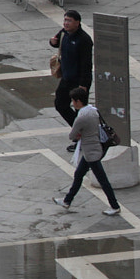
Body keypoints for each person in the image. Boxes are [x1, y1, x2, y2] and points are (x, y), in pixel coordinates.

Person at [53, 87, 122, 216]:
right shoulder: (93, 111)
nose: (72, 103)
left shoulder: (81, 117)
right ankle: (67, 200)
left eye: (73, 101)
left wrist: (79, 134)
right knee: (79, 175)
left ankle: (114, 205)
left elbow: (72, 135)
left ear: (78, 101)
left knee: (102, 180)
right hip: (95, 148)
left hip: (91, 152)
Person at [50, 10, 93, 125]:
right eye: (65, 20)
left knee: (80, 110)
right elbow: (56, 41)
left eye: (69, 21)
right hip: (66, 78)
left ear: (77, 23)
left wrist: (83, 85)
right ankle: (78, 128)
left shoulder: (84, 40)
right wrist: (52, 42)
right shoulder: (64, 32)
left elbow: (86, 64)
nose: (66, 23)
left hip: (78, 81)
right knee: (60, 104)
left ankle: (81, 133)